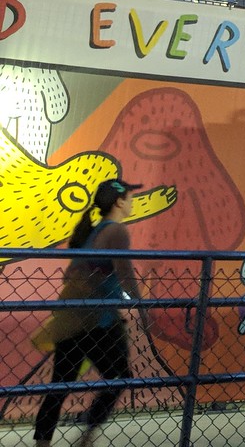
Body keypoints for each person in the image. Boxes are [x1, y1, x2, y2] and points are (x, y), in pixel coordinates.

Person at [32, 178, 144, 447]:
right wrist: (144, 307)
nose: (132, 202)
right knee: (119, 377)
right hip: (98, 320)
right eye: (130, 197)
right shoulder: (116, 230)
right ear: (119, 202)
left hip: (72, 317)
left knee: (59, 385)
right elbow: (125, 274)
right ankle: (87, 436)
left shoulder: (92, 232)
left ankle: (42, 443)